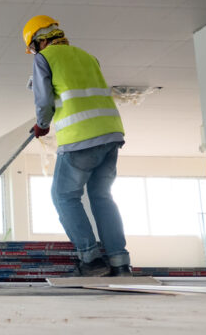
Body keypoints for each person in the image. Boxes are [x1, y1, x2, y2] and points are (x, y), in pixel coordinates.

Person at [23, 15, 131, 277]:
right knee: (102, 197)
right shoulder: (87, 56)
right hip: (110, 134)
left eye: (33, 47)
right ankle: (120, 262)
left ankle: (90, 260)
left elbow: (44, 101)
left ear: (39, 41)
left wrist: (42, 124)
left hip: (80, 137)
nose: (33, 52)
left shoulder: (44, 58)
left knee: (63, 196)